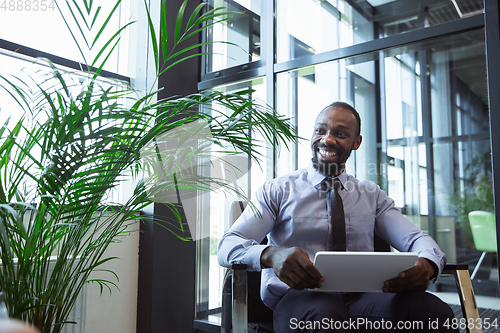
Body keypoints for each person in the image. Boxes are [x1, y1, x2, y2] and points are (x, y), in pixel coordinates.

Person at [218, 102, 457, 332]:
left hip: (363, 299)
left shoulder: (371, 195)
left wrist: (427, 264)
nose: (327, 139)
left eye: (340, 133)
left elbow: (416, 239)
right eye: (320, 130)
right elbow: (228, 245)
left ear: (356, 142)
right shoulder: (278, 190)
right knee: (326, 316)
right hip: (300, 300)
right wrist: (270, 254)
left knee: (432, 310)